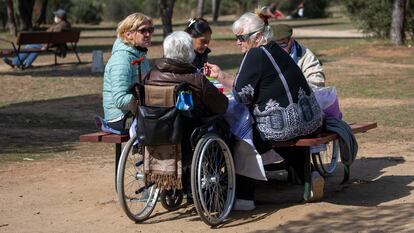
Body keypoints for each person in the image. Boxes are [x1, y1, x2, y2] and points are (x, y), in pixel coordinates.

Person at [204, 12, 324, 211]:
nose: (237, 43)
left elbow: (242, 96)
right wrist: (221, 75)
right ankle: (309, 175)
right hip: (310, 120)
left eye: (241, 38)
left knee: (243, 139)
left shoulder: (255, 54)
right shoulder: (276, 50)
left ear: (258, 37)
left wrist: (223, 81)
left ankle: (243, 198)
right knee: (281, 139)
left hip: (282, 123)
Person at [142, 31, 228, 199]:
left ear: (166, 51)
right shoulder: (196, 79)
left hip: (153, 134)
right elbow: (221, 105)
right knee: (222, 126)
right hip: (187, 138)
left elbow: (134, 105)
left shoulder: (149, 76)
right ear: (190, 52)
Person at [102, 13, 154, 132]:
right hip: (120, 118)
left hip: (137, 112)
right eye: (143, 31)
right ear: (128, 34)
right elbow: (120, 100)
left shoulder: (140, 54)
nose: (148, 34)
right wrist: (149, 98)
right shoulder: (121, 59)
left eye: (150, 30)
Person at [3, 9, 71, 69]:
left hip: (50, 44)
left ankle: (15, 62)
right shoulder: (64, 25)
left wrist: (45, 46)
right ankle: (26, 64)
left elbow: (52, 38)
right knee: (34, 48)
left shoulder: (59, 27)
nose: (55, 17)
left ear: (60, 18)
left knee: (30, 46)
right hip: (52, 44)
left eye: (56, 16)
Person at [273, 24, 325, 88]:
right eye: (274, 45)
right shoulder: (264, 54)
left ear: (291, 40)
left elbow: (318, 81)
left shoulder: (305, 54)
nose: (278, 49)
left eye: (283, 44)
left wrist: (294, 85)